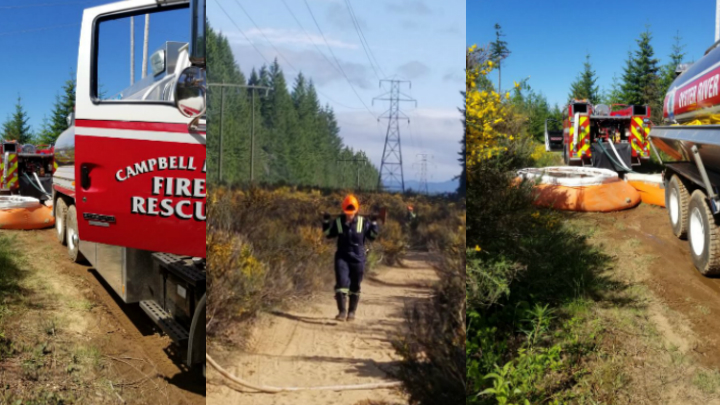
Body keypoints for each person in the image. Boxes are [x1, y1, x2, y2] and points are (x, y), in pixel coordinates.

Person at [323, 194, 379, 321]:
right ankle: (342, 312)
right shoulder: (338, 222)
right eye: (347, 212)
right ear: (344, 210)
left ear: (356, 210)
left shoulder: (363, 222)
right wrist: (326, 222)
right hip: (342, 257)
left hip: (358, 258)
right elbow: (328, 235)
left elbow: (372, 236)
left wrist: (374, 223)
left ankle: (352, 312)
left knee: (355, 286)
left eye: (352, 212)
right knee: (341, 283)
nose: (349, 215)